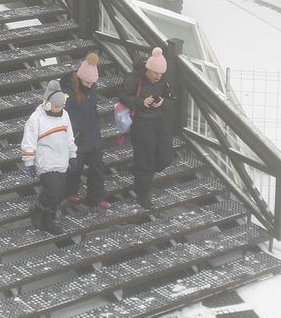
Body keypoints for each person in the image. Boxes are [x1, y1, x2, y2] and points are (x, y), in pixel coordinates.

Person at [120, 47, 175, 212]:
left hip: (160, 122)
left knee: (166, 158)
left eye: (160, 74)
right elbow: (122, 96)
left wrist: (162, 103)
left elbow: (172, 99)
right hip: (141, 124)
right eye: (155, 73)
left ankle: (139, 171)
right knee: (146, 161)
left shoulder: (163, 80)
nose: (158, 76)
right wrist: (140, 102)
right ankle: (143, 194)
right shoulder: (134, 79)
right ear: (148, 69)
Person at [21, 81, 78, 235]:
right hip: (46, 162)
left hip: (62, 160)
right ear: (47, 104)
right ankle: (40, 211)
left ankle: (47, 218)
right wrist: (29, 162)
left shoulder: (64, 115)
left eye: (61, 106)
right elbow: (29, 141)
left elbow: (69, 137)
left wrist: (72, 155)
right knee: (53, 192)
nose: (59, 109)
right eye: (56, 106)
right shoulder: (36, 119)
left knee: (59, 194)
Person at [60, 51, 111, 211]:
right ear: (80, 77)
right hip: (78, 135)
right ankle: (70, 191)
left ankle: (97, 197)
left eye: (92, 82)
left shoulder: (92, 87)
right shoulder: (68, 91)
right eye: (87, 82)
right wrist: (74, 132)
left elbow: (93, 109)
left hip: (92, 132)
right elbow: (64, 113)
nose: (90, 85)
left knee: (97, 167)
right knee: (76, 166)